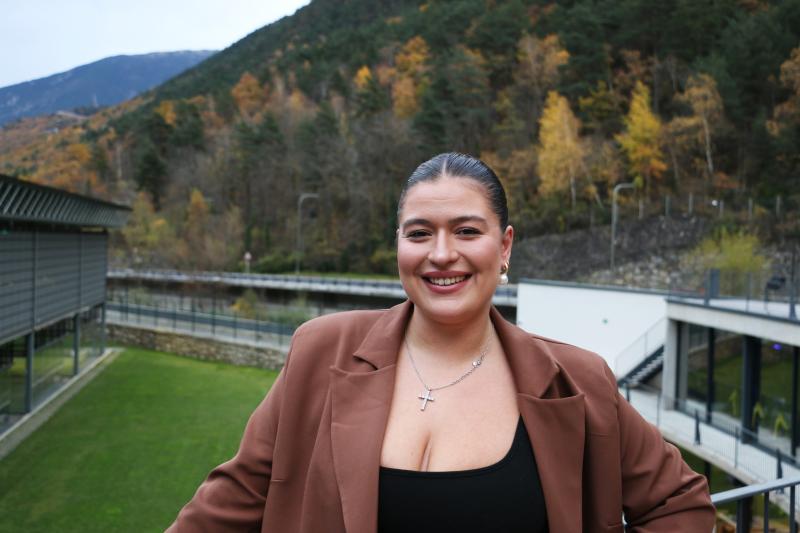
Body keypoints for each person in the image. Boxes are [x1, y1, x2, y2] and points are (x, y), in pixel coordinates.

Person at [168, 153, 715, 532]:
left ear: (504, 247)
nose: (441, 253)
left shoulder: (577, 381)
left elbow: (680, 501)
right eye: (420, 232)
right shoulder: (320, 350)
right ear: (399, 246)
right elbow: (232, 503)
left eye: (467, 231)